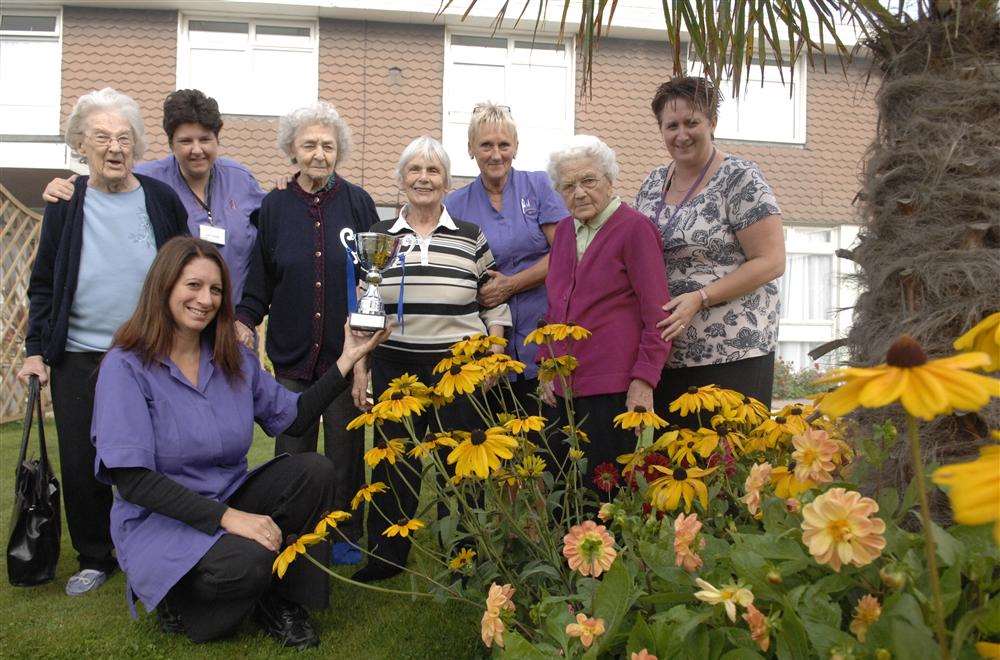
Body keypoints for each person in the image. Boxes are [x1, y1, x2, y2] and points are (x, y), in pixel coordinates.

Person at [91, 236, 389, 648]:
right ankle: (180, 600)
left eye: (215, 290)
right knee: (251, 561)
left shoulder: (234, 358)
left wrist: (348, 358)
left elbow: (295, 416)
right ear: (164, 287)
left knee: (314, 470)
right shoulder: (126, 366)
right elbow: (133, 480)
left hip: (230, 496)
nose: (205, 299)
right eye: (192, 285)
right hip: (162, 521)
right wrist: (229, 519)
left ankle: (282, 601)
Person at [16, 87, 189, 596]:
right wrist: (36, 350)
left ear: (136, 144)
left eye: (124, 137)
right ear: (81, 146)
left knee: (155, 452)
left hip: (150, 350)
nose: (115, 147)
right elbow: (44, 281)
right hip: (79, 353)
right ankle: (95, 555)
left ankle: (157, 537)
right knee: (80, 457)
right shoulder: (66, 202)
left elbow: (182, 270)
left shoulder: (160, 200)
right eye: (101, 137)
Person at [351, 136, 512, 583]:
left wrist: (495, 354)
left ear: (446, 181)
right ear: (401, 179)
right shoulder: (378, 238)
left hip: (457, 369)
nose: (424, 178)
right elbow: (365, 308)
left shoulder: (469, 236)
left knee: (461, 462)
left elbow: (494, 300)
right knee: (392, 459)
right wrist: (361, 369)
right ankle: (387, 555)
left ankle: (464, 556)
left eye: (433, 170)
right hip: (394, 365)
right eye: (415, 170)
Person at [234, 101, 378, 563]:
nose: (319, 153)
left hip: (343, 357)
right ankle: (294, 532)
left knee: (344, 453)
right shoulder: (274, 207)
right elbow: (260, 280)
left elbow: (373, 283)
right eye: (309, 145)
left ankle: (344, 536)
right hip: (292, 359)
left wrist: (363, 362)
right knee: (292, 453)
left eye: (328, 146)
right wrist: (243, 320)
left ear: (340, 151)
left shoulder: (358, 203)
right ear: (292, 151)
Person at [633, 76, 785, 419]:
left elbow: (772, 261)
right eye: (671, 125)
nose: (681, 134)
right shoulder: (653, 182)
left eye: (692, 122)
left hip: (732, 351)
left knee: (726, 464)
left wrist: (701, 298)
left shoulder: (740, 178)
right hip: (668, 353)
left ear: (712, 122)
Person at [42, 89, 266, 303]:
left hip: (234, 322)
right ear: (171, 144)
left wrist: (289, 185)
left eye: (205, 139)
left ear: (218, 140)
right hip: (176, 325)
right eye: (186, 141)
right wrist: (70, 186)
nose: (197, 150)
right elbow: (106, 182)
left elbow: (272, 230)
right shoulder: (148, 182)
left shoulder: (241, 180)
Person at [541, 135, 671, 487]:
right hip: (564, 386)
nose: (579, 192)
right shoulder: (566, 230)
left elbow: (658, 315)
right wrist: (546, 368)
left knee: (604, 495)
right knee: (564, 494)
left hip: (611, 385)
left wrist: (644, 378)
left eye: (588, 180)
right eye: (568, 185)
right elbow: (554, 305)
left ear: (610, 180)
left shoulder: (635, 229)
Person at [444, 103, 568, 412]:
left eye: (504, 145)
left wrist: (511, 285)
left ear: (516, 147)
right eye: (486, 145)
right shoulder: (454, 204)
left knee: (547, 443)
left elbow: (566, 254)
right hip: (485, 343)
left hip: (543, 335)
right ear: (471, 149)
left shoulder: (539, 186)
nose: (496, 154)